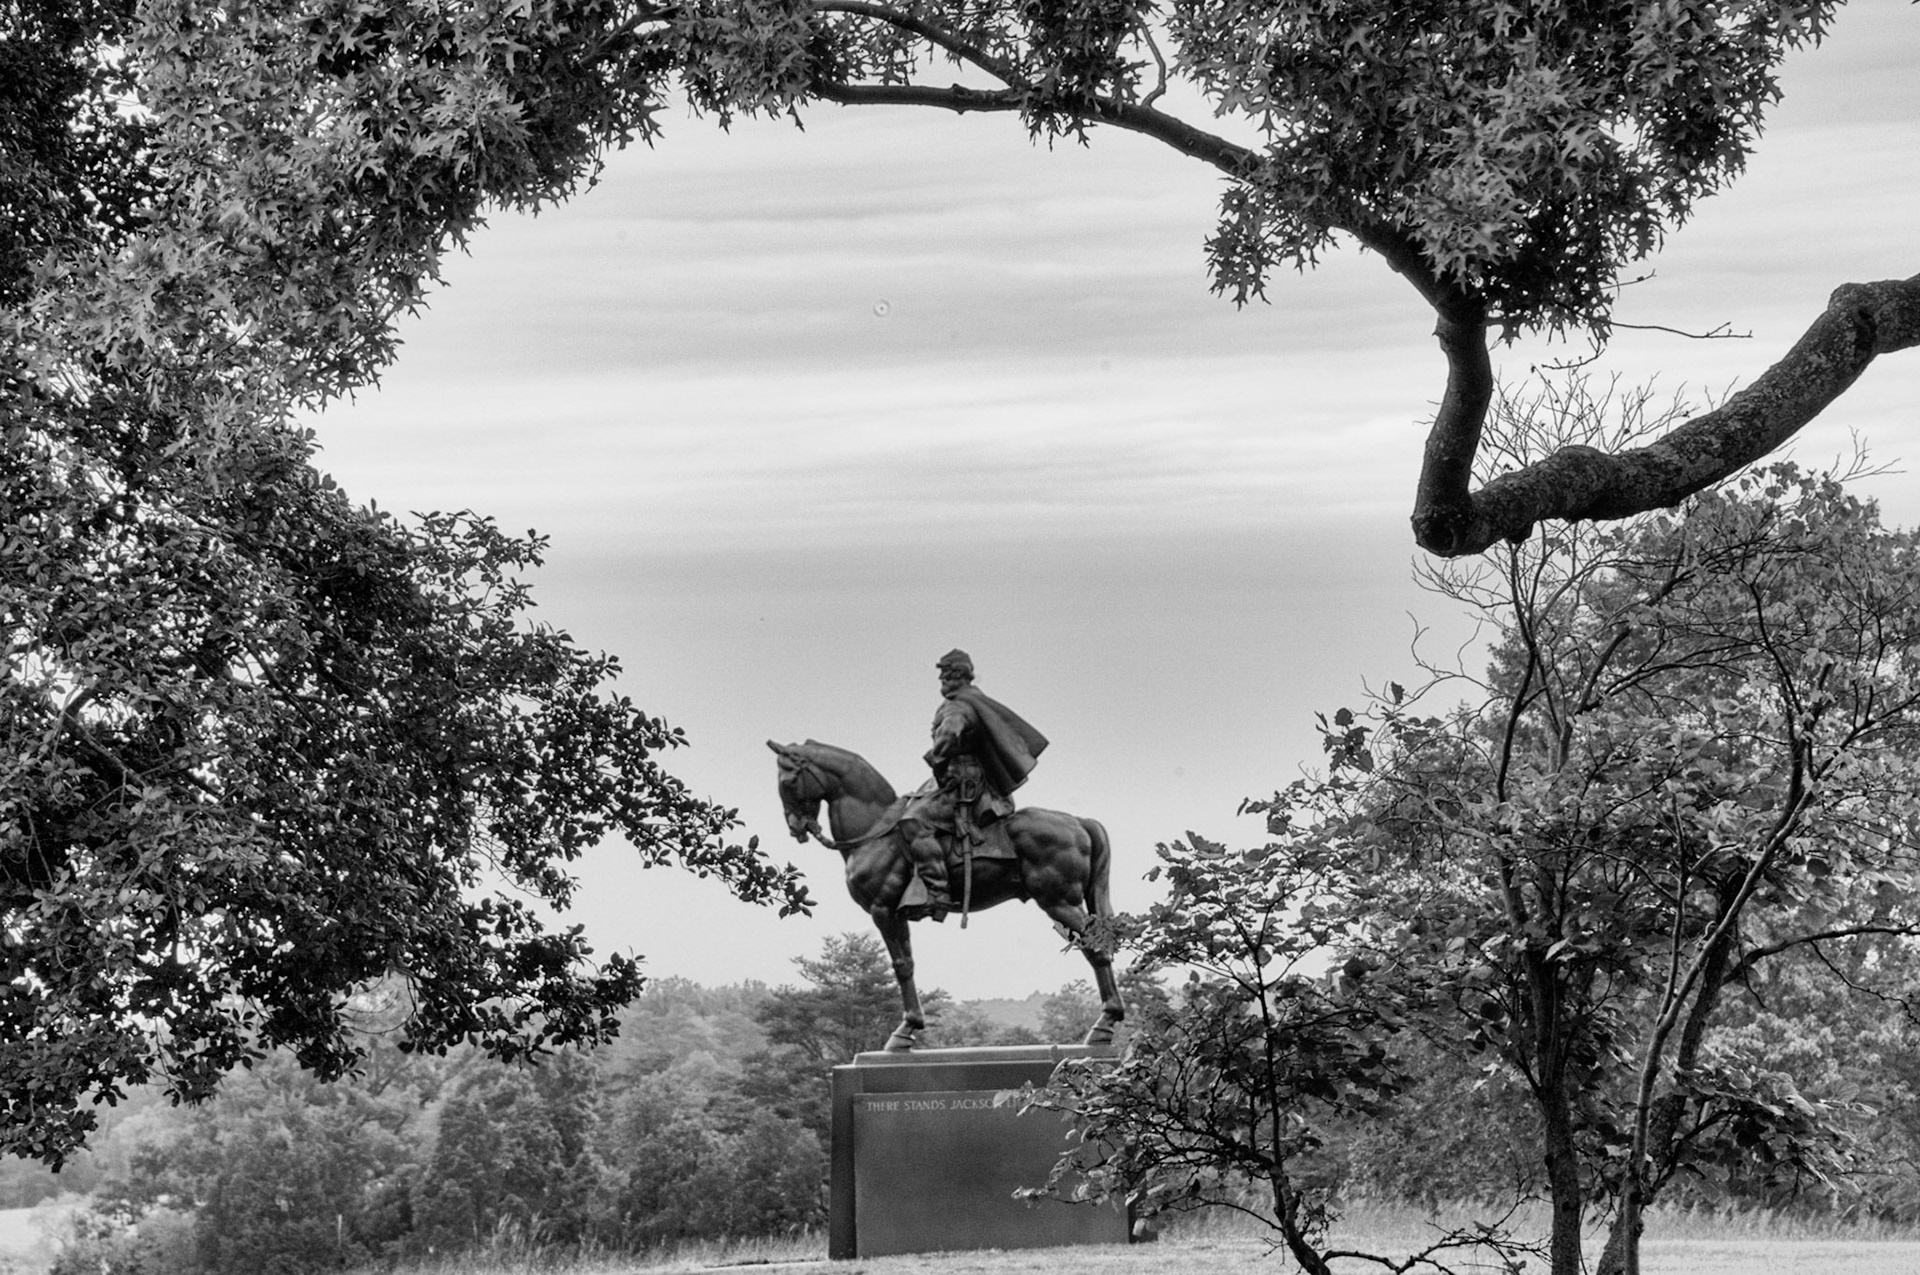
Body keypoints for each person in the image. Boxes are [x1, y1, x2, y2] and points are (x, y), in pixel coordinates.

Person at [897, 649, 1048, 921]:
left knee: (912, 821)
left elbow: (949, 734)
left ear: (956, 676)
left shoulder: (959, 705)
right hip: (965, 778)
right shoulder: (973, 700)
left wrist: (936, 758)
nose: (942, 682)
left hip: (963, 782)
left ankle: (937, 892)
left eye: (944, 676)